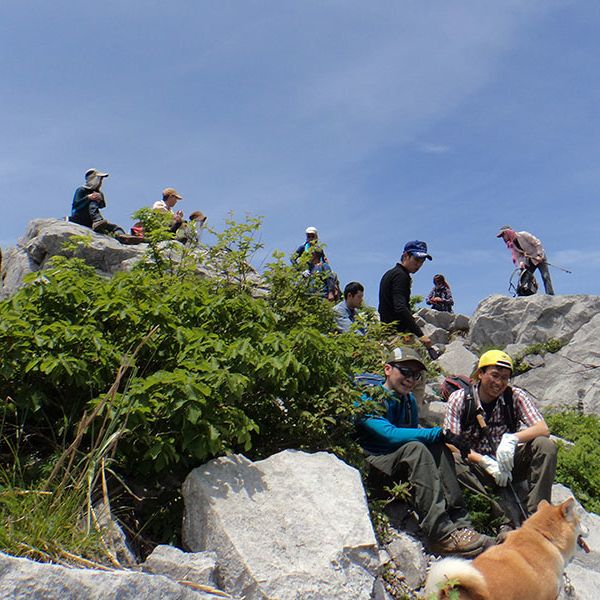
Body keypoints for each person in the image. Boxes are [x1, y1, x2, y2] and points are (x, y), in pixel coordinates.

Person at [356, 347, 492, 557]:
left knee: (435, 446)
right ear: (387, 369)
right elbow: (389, 435)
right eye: (405, 372)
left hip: (397, 468)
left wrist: (445, 439)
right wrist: (440, 432)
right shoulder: (368, 398)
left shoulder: (409, 401)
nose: (410, 379)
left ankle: (462, 524)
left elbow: (412, 434)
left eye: (416, 375)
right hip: (374, 468)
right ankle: (441, 534)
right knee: (417, 448)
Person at [443, 349, 557, 532]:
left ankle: (538, 514)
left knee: (545, 446)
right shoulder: (460, 399)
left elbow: (542, 429)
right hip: (477, 466)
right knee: (451, 460)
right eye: (494, 375)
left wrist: (512, 439)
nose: (499, 383)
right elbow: (450, 442)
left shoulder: (515, 396)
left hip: (509, 462)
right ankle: (501, 519)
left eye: (505, 378)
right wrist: (483, 461)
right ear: (480, 374)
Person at [378, 240, 436, 357]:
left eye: (422, 261)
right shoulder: (401, 276)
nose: (419, 265)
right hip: (398, 336)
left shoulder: (390, 273)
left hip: (387, 333)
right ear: (406, 256)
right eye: (416, 259)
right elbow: (400, 307)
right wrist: (421, 335)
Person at [496, 226, 555, 295]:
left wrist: (539, 255)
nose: (503, 238)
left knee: (545, 276)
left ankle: (550, 294)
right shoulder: (512, 244)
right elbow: (518, 256)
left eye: (503, 235)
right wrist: (521, 263)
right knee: (524, 277)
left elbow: (537, 243)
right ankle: (526, 294)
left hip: (539, 257)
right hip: (530, 260)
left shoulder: (523, 235)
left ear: (508, 232)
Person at [70, 169, 126, 235]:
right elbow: (76, 205)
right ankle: (97, 220)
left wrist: (100, 200)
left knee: (115, 227)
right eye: (99, 180)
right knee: (92, 202)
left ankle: (121, 235)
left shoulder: (98, 193)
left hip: (91, 220)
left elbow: (102, 205)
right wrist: (88, 198)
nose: (101, 183)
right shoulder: (81, 190)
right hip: (79, 217)